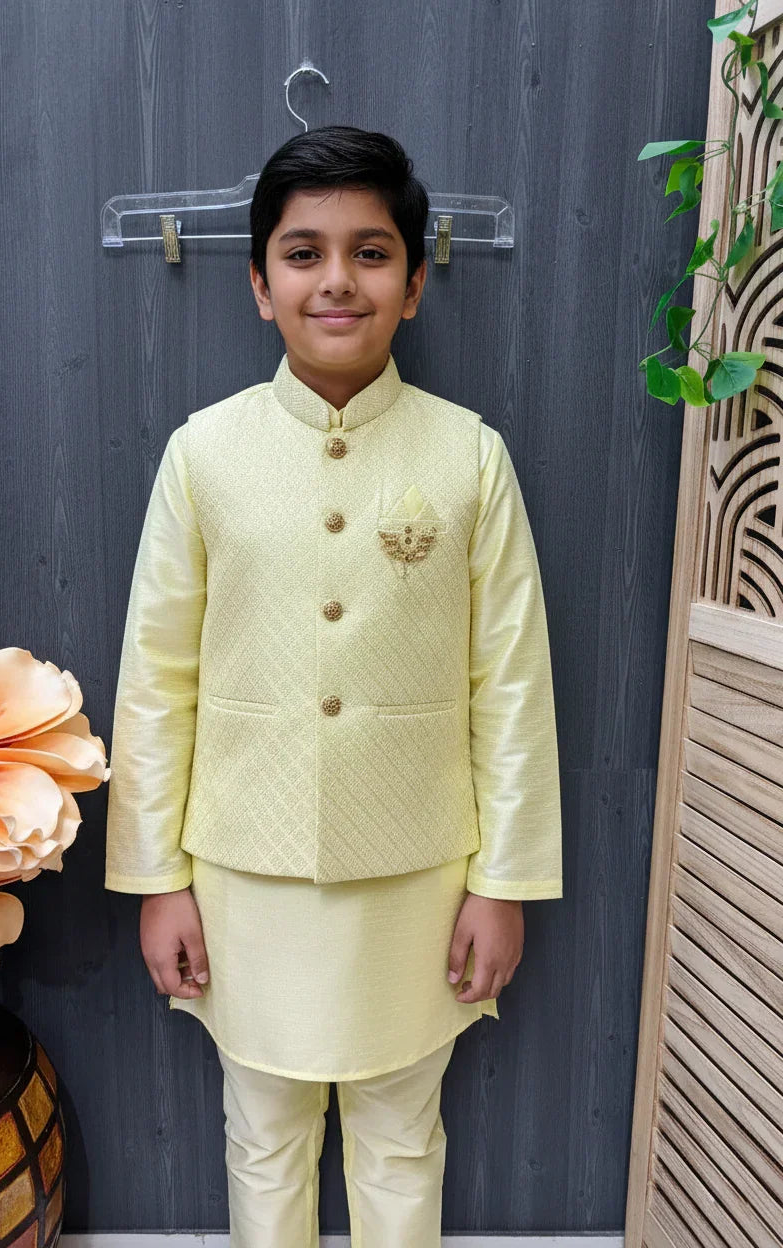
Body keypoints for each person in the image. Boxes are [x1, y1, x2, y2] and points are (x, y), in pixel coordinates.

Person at [104, 124, 563, 1248]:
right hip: (240, 876)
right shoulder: (203, 453)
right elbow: (156, 678)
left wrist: (500, 879)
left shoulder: (468, 455)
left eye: (370, 251)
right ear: (259, 285)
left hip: (421, 873)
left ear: (412, 282)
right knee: (260, 1132)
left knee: (404, 1135)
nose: (337, 280)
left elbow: (508, 679)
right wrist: (157, 876)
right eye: (303, 254)